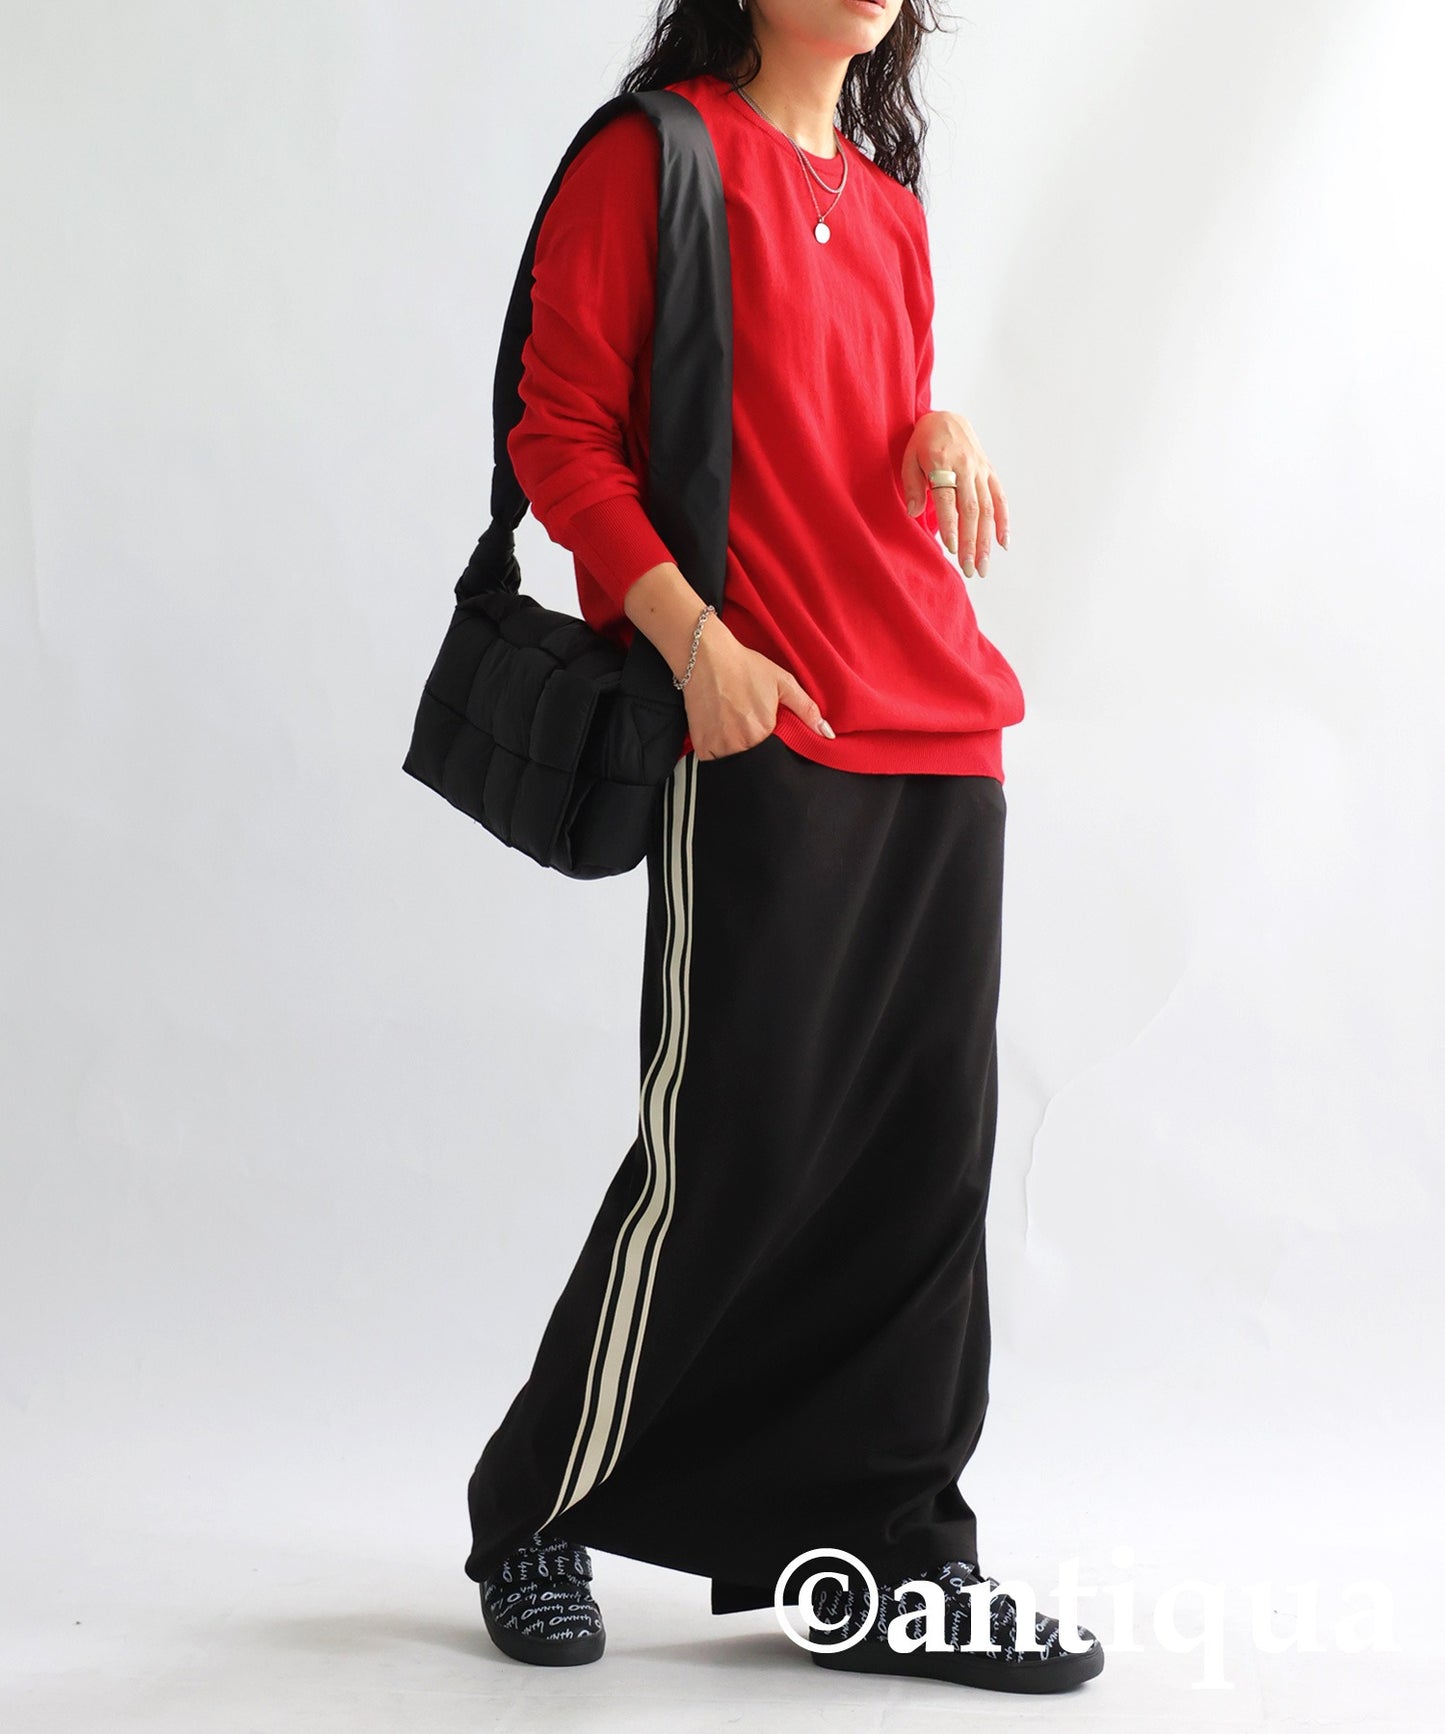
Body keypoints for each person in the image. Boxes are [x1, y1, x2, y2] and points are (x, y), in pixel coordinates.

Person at [461, 0, 1103, 1694]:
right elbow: (561, 435)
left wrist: (930, 430)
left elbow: (843, 435)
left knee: (919, 1169)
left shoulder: (887, 206)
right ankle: (533, 1506)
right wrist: (694, 645)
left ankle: (889, 1560)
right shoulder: (653, 158)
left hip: (940, 729)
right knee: (731, 1145)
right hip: (757, 721)